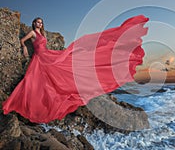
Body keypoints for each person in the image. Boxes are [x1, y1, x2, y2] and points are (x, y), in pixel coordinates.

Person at [2, 15, 149, 123]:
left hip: (47, 54)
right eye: (37, 22)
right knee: (33, 80)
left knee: (68, 63)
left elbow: (44, 45)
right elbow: (23, 40)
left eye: (41, 22)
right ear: (34, 23)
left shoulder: (42, 33)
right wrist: (24, 48)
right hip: (40, 57)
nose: (39, 24)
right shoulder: (33, 33)